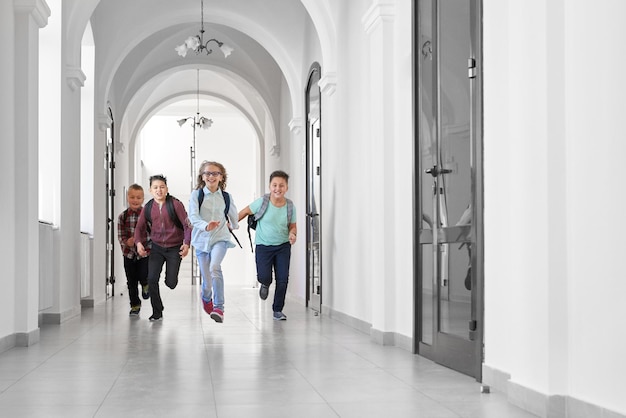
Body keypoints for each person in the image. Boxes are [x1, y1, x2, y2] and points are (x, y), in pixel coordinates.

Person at [238, 170, 297, 321]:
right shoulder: (262, 202)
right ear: (270, 186)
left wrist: (293, 234)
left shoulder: (290, 206)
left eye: (281, 185)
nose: (278, 188)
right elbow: (244, 212)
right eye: (275, 185)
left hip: (283, 246)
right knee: (264, 276)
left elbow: (292, 225)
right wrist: (230, 224)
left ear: (286, 188)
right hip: (263, 246)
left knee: (283, 279)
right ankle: (265, 283)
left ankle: (277, 310)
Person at [134, 174, 191, 321]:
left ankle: (170, 280)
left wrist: (186, 243)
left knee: (171, 283)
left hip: (175, 248)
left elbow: (187, 225)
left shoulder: (175, 204)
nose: (159, 190)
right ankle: (157, 311)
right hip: (157, 248)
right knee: (152, 279)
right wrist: (139, 243)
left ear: (167, 189)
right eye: (155, 188)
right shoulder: (147, 208)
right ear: (150, 190)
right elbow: (139, 228)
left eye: (162, 187)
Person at [188, 161, 240, 323]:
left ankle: (219, 307)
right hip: (201, 240)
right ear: (202, 177)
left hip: (220, 238)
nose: (211, 176)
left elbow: (234, 216)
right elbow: (193, 217)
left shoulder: (226, 196)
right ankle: (206, 297)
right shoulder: (196, 195)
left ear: (221, 177)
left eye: (215, 173)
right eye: (207, 173)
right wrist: (206, 226)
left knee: (215, 267)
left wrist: (234, 224)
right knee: (207, 282)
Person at [117, 184, 150, 316]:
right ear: (127, 198)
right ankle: (135, 305)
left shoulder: (147, 216)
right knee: (131, 281)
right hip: (129, 254)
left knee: (143, 274)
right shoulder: (122, 217)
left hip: (144, 253)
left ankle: (145, 284)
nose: (135, 200)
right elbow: (120, 235)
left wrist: (142, 243)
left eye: (138, 198)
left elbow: (152, 233)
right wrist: (127, 242)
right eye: (132, 197)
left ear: (142, 199)